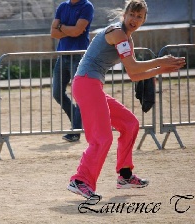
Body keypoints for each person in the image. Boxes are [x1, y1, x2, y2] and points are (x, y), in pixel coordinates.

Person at [67, 0, 186, 199]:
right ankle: (80, 181)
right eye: (132, 14)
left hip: (91, 85)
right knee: (102, 138)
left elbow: (133, 74)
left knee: (130, 124)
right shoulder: (117, 33)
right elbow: (134, 67)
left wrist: (161, 69)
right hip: (87, 84)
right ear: (125, 14)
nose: (134, 19)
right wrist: (160, 61)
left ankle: (125, 175)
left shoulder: (126, 40)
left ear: (144, 20)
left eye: (139, 17)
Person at [50, 0, 94, 142]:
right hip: (62, 56)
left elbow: (77, 32)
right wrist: (70, 30)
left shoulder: (87, 6)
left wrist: (61, 27)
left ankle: (75, 131)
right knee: (57, 93)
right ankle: (77, 123)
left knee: (79, 95)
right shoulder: (63, 6)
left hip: (79, 56)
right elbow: (53, 33)